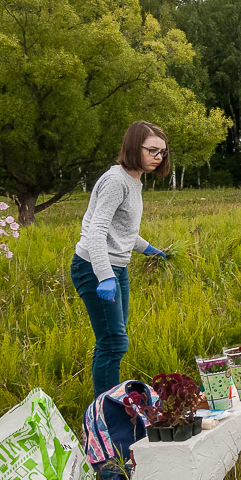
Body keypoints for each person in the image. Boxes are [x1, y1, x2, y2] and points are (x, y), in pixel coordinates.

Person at [71, 121, 172, 397]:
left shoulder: (133, 180)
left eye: (162, 152)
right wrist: (104, 276)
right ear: (133, 146)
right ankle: (105, 410)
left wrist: (148, 248)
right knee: (113, 342)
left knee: (113, 340)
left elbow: (122, 231)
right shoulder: (116, 181)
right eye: (152, 150)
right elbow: (97, 231)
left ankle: (108, 402)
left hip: (116, 268)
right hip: (94, 267)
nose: (158, 157)